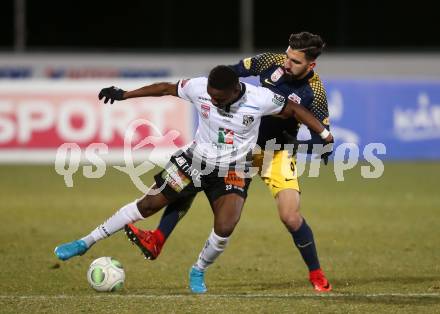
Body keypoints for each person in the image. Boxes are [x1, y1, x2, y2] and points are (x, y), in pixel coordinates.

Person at [54, 66, 333, 294]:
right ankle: (84, 243)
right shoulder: (199, 87)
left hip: (233, 169)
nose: (212, 101)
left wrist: (323, 134)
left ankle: (198, 270)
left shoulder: (259, 98)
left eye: (219, 99)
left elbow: (294, 110)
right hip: (194, 161)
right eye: (210, 96)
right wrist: (124, 94)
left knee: (225, 226)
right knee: (147, 205)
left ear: (235, 91)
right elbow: (165, 88)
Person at [125, 32, 334, 293]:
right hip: (237, 151)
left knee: (290, 217)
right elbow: (230, 74)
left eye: (295, 62)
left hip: (275, 154)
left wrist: (302, 145)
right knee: (194, 176)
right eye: (287, 56)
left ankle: (316, 273)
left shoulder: (315, 92)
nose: (287, 64)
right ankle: (158, 237)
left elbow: (323, 140)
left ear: (311, 65)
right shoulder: (270, 60)